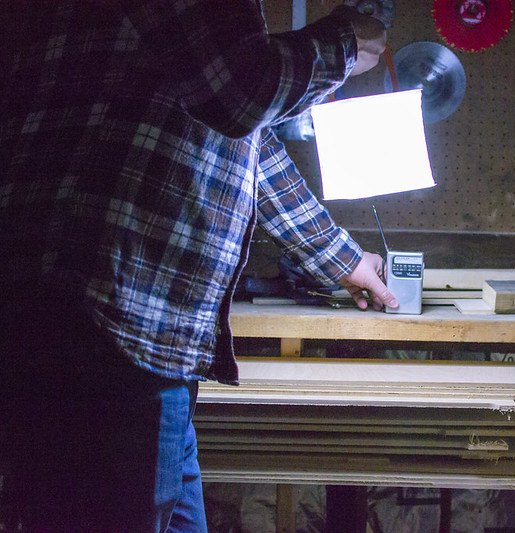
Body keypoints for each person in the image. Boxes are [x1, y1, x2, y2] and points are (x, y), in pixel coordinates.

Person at [0, 1, 396, 530]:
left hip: (119, 324)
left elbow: (246, 137)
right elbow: (240, 93)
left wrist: (341, 259)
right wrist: (347, 42)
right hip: (108, 313)